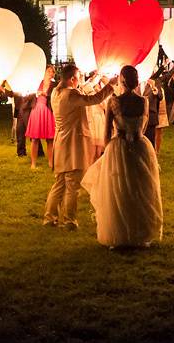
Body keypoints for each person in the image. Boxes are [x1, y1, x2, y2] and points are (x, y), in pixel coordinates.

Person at [82, 65, 163, 248]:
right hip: (140, 146)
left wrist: (107, 149)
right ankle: (140, 232)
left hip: (118, 147)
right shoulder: (144, 101)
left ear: (122, 80)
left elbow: (106, 132)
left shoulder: (113, 101)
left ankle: (119, 233)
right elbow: (143, 127)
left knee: (119, 189)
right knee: (140, 189)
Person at [44, 64, 115, 230]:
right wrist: (110, 85)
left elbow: (82, 92)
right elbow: (93, 99)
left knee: (60, 182)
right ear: (72, 79)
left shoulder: (56, 92)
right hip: (73, 144)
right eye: (77, 77)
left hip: (60, 142)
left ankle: (49, 217)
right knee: (72, 184)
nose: (78, 80)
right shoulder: (71, 94)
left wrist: (94, 79)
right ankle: (69, 220)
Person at [25, 67, 57, 169]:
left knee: (50, 139)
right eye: (49, 71)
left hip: (48, 111)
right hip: (37, 110)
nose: (51, 73)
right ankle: (33, 163)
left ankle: (51, 163)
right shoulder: (37, 82)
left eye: (53, 72)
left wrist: (46, 94)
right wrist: (36, 93)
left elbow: (56, 97)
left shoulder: (54, 85)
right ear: (44, 72)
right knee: (35, 139)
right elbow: (28, 96)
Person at [142, 77, 165, 154]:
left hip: (150, 117)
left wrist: (155, 89)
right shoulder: (135, 81)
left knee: (150, 143)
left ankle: (152, 162)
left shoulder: (155, 82)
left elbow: (160, 96)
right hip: (136, 117)